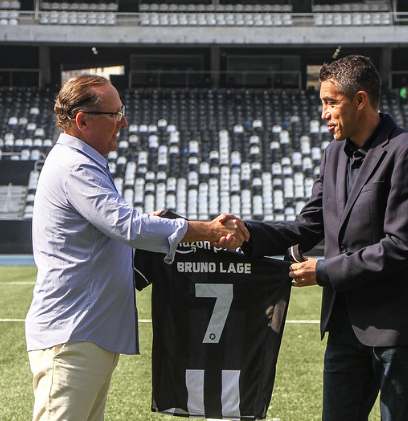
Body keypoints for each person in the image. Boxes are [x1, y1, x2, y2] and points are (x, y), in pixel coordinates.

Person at [25, 74, 248, 421]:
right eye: (115, 114)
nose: (124, 122)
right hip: (72, 337)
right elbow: (127, 226)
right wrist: (205, 230)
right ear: (83, 120)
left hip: (85, 334)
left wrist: (152, 225)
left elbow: (115, 229)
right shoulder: (75, 166)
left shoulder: (81, 162)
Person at [240, 55, 408, 421]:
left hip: (397, 328)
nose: (323, 113)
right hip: (344, 325)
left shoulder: (406, 151)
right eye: (323, 103)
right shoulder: (333, 154)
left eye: (331, 102)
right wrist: (245, 233)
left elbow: (401, 246)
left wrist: (325, 270)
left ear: (360, 100)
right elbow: (308, 226)